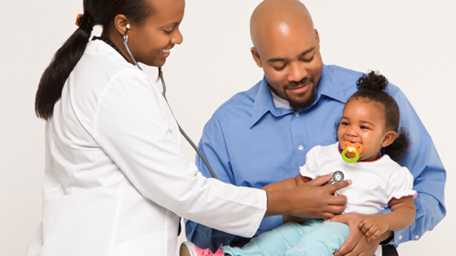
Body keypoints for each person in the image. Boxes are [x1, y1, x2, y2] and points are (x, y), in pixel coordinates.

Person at [27, 0, 352, 255]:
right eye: (168, 28)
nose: (178, 38)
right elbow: (182, 192)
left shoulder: (98, 72)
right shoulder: (116, 85)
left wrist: (278, 194)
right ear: (123, 24)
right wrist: (284, 202)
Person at [185, 0, 446, 255]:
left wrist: (378, 231)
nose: (297, 74)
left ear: (318, 40)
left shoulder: (376, 101)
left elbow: (429, 190)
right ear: (256, 57)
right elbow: (199, 228)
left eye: (307, 56)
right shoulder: (227, 126)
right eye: (280, 65)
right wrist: (277, 207)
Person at [181, 72, 416, 256]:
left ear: (386, 139)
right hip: (307, 222)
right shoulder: (323, 155)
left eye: (364, 128)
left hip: (346, 229)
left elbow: (406, 212)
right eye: (345, 124)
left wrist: (381, 223)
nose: (351, 133)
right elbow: (297, 184)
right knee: (274, 241)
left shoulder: (391, 172)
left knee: (312, 248)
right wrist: (258, 199)